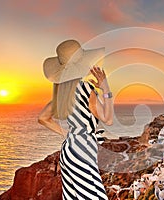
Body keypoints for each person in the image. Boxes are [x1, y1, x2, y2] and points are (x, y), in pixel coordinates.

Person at [38, 39, 113, 199]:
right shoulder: (86, 89)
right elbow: (108, 119)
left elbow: (43, 118)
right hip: (83, 148)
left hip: (68, 149)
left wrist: (69, 134)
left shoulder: (61, 94)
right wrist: (106, 88)